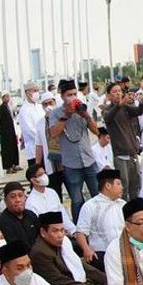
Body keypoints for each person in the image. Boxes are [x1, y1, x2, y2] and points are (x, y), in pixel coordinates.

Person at [29, 211, 110, 285]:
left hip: (70, 279)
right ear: (43, 232)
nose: (60, 235)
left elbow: (79, 265)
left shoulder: (62, 243)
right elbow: (57, 280)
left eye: (62, 230)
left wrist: (106, 279)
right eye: (55, 231)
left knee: (97, 261)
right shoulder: (40, 252)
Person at [48, 80, 101, 220]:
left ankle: (100, 221)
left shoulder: (82, 109)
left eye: (74, 94)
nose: (72, 97)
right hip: (71, 164)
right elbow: (54, 133)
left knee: (98, 195)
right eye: (69, 95)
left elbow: (96, 132)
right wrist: (66, 115)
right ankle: (80, 230)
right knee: (77, 200)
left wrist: (87, 116)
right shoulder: (55, 113)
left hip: (89, 160)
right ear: (62, 96)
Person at [101, 80, 143, 200]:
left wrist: (141, 102)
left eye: (119, 91)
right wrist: (119, 104)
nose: (118, 94)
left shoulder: (126, 107)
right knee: (123, 187)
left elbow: (138, 111)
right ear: (109, 95)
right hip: (120, 155)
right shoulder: (107, 109)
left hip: (132, 154)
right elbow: (108, 117)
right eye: (114, 92)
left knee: (135, 185)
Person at [74, 168, 126, 267]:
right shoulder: (90, 205)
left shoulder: (123, 204)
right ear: (108, 186)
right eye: (118, 184)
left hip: (125, 250)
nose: (122, 187)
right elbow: (80, 232)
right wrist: (86, 249)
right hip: (102, 252)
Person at [0, 181, 40, 248]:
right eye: (13, 197)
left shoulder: (31, 215)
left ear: (25, 197)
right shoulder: (3, 222)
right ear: (5, 200)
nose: (18, 200)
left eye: (20, 195)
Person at [18, 82, 45, 168]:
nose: (37, 93)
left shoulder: (40, 107)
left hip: (46, 149)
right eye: (35, 90)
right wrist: (43, 138)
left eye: (38, 90)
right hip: (33, 151)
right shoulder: (24, 110)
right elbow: (29, 130)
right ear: (28, 92)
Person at [0, 90, 22, 173]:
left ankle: (15, 164)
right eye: (6, 97)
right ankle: (8, 167)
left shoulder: (8, 106)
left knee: (14, 148)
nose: (8, 98)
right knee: (7, 150)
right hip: (5, 134)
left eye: (8, 96)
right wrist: (3, 132)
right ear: (2, 98)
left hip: (11, 131)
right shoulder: (2, 108)